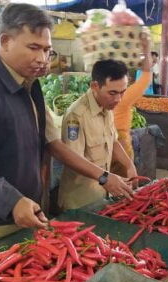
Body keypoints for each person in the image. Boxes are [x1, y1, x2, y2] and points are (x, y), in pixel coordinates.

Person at [0, 3, 132, 249]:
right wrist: (12, 202)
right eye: (33, 48)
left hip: (25, 214)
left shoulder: (28, 85)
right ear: (5, 41)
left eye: (47, 50)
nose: (42, 59)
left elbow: (48, 143)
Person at [59, 59, 138, 210]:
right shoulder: (77, 115)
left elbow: (113, 141)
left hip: (101, 195)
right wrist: (105, 178)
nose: (118, 99)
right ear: (95, 86)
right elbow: (73, 160)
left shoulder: (107, 108)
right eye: (112, 93)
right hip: (80, 201)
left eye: (122, 92)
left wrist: (129, 165)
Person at [113, 33, 152, 173]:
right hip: (121, 141)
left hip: (103, 144)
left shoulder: (99, 91)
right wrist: (146, 49)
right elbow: (146, 76)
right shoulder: (124, 96)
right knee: (125, 182)